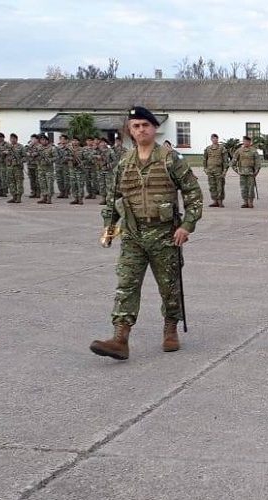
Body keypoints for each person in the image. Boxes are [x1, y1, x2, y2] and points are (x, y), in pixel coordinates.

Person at [91, 106, 204, 361]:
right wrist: (109, 225)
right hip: (133, 234)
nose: (141, 130)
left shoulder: (169, 159)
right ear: (130, 131)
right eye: (136, 126)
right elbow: (114, 198)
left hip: (164, 234)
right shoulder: (124, 163)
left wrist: (187, 225)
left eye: (145, 125)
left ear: (154, 128)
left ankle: (170, 328)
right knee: (126, 285)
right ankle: (120, 338)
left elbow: (194, 194)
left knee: (170, 286)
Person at [231, 135, 261, 208]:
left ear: (250, 142)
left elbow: (258, 163)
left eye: (248, 141)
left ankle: (250, 202)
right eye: (245, 141)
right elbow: (233, 163)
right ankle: (245, 202)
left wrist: (256, 172)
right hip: (242, 173)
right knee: (243, 188)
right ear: (243, 142)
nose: (246, 142)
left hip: (251, 173)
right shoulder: (239, 151)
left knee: (251, 188)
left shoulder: (254, 151)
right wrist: (237, 171)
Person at [203, 133, 228, 207]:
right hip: (210, 170)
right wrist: (205, 168)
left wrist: (224, 171)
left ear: (218, 139)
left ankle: (220, 201)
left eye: (216, 138)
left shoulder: (222, 148)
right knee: (212, 186)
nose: (214, 140)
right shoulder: (208, 149)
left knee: (220, 186)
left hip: (219, 170)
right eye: (213, 138)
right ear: (211, 139)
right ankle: (214, 201)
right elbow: (205, 159)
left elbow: (225, 161)